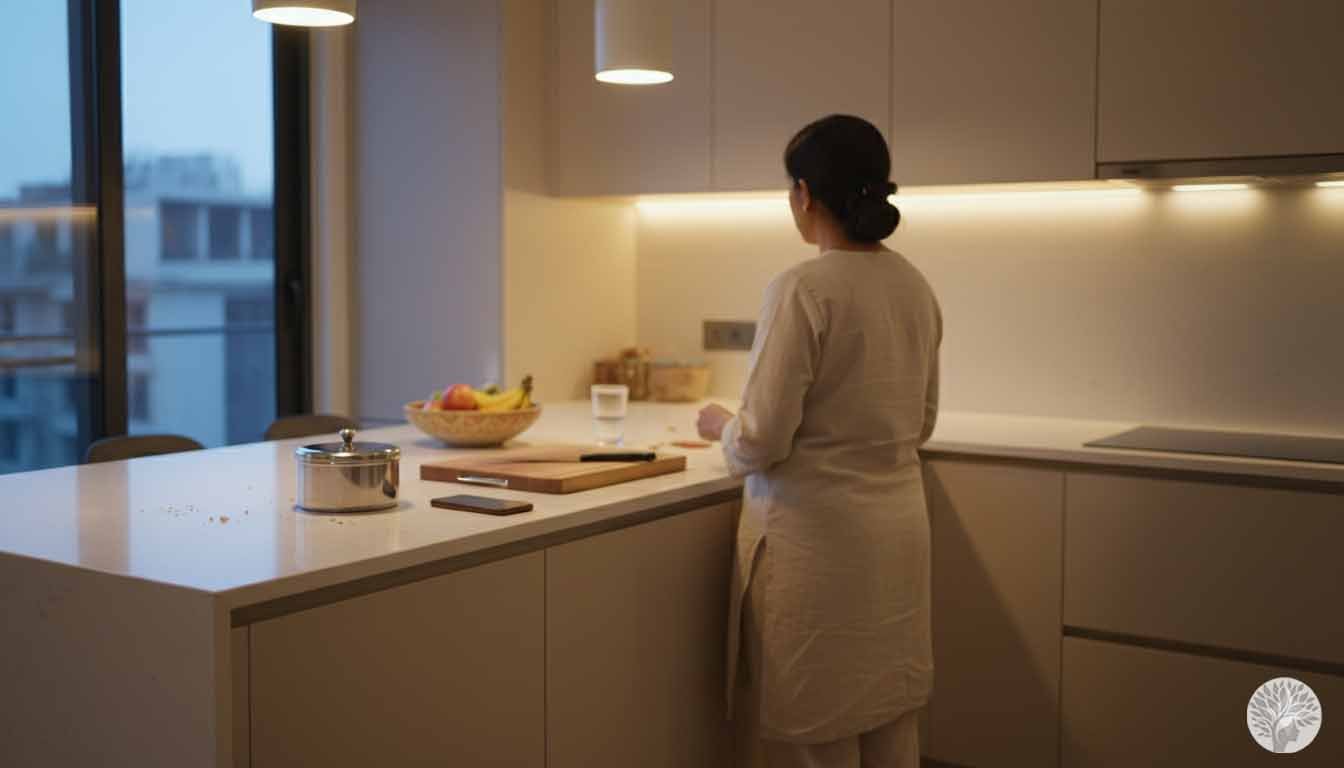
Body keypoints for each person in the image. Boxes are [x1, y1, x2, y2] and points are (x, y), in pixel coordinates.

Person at [697, 114, 941, 768]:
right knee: (890, 714)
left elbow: (762, 441)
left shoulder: (802, 288)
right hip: (898, 535)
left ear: (804, 194)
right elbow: (922, 422)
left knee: (819, 731)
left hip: (820, 546)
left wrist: (724, 426)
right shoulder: (914, 286)